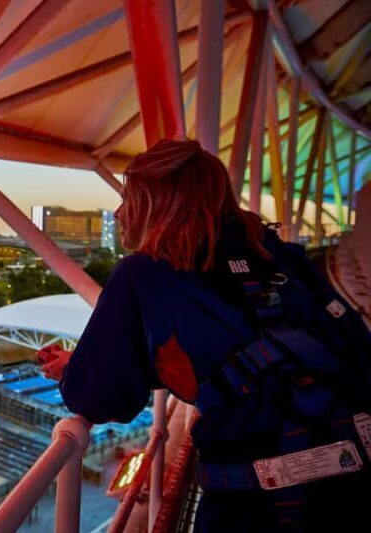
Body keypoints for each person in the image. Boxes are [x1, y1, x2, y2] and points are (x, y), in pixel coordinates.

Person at [38, 139, 371, 532]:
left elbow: (100, 398)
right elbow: (234, 348)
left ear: (157, 205)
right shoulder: (279, 255)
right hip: (356, 479)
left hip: (259, 505)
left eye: (131, 198)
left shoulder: (144, 275)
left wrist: (78, 372)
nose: (120, 211)